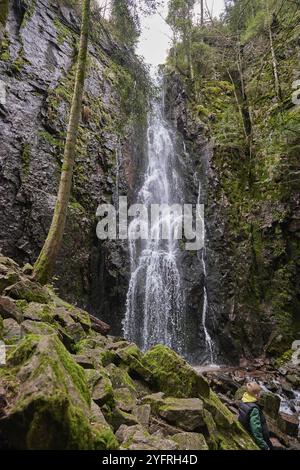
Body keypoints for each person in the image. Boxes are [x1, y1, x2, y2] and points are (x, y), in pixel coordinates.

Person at [238, 382, 273, 450]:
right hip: (260, 437)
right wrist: (263, 445)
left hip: (246, 427)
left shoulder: (244, 399)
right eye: (259, 393)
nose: (260, 395)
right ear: (256, 395)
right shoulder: (254, 409)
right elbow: (256, 428)